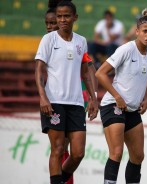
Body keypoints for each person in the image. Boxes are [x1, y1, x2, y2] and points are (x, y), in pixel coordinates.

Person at [35, 1, 98, 183]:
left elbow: (86, 71)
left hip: (77, 103)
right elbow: (39, 69)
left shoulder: (81, 41)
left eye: (66, 16)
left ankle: (59, 180)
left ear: (75, 18)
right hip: (54, 101)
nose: (62, 20)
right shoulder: (48, 39)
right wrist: (43, 97)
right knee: (58, 148)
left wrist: (93, 99)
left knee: (78, 153)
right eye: (59, 16)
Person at [95, 8, 147, 184]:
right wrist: (117, 96)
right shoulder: (126, 49)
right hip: (113, 105)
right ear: (137, 31)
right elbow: (100, 73)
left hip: (132, 109)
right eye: (145, 31)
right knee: (116, 152)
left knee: (138, 156)